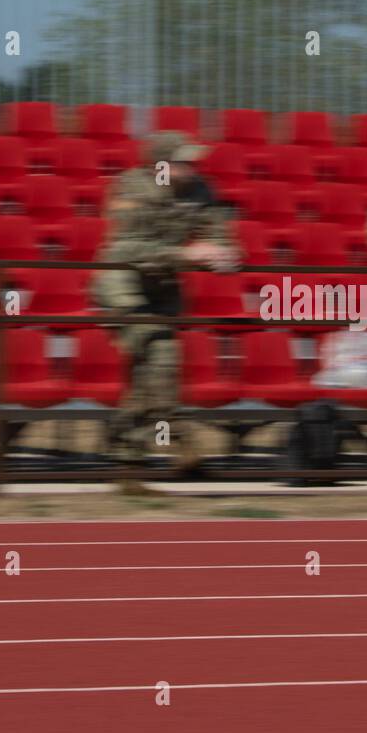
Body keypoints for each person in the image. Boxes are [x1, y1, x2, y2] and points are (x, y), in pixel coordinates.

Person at [97, 130, 238, 494]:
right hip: (123, 285)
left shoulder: (200, 191)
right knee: (159, 357)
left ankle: (133, 460)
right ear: (160, 164)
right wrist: (186, 255)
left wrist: (223, 255)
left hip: (162, 289)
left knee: (150, 371)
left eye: (193, 161)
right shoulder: (131, 188)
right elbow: (126, 249)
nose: (192, 167)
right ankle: (171, 447)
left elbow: (219, 234)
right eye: (183, 161)